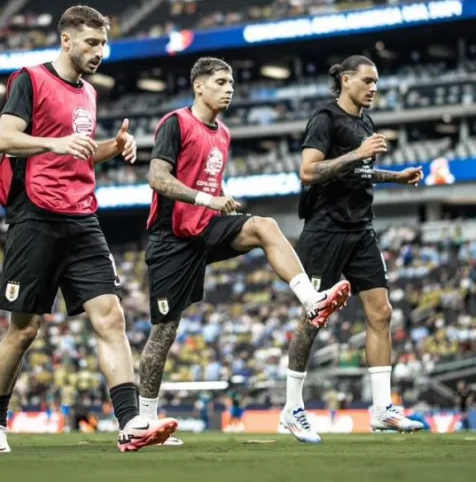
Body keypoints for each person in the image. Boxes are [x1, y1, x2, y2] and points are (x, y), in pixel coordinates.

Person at [0, 5, 173, 454]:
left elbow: (79, 152)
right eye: (91, 42)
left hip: (83, 217)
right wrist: (54, 142)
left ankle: (130, 423)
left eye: (103, 43)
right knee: (24, 330)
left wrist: (114, 146)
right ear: (66, 40)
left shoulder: (88, 92)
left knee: (111, 316)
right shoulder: (30, 79)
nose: (100, 51)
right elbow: (4, 139)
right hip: (35, 216)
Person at [137, 57, 352, 447]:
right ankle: (145, 422)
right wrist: (208, 199)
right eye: (221, 82)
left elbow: (208, 182)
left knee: (264, 226)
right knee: (165, 331)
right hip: (172, 238)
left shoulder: (223, 133)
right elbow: (157, 177)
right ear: (199, 86)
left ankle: (312, 300)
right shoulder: (176, 123)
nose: (229, 89)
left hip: (206, 227)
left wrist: (220, 201)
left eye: (232, 82)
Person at [281, 55, 425, 442]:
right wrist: (357, 154)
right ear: (346, 80)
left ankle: (382, 409)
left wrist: (395, 176)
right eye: (367, 81)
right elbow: (308, 172)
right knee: (313, 317)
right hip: (325, 228)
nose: (374, 88)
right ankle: (292, 407)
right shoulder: (325, 119)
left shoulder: (365, 122)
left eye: (376, 82)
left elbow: (360, 171)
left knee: (382, 312)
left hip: (361, 228)